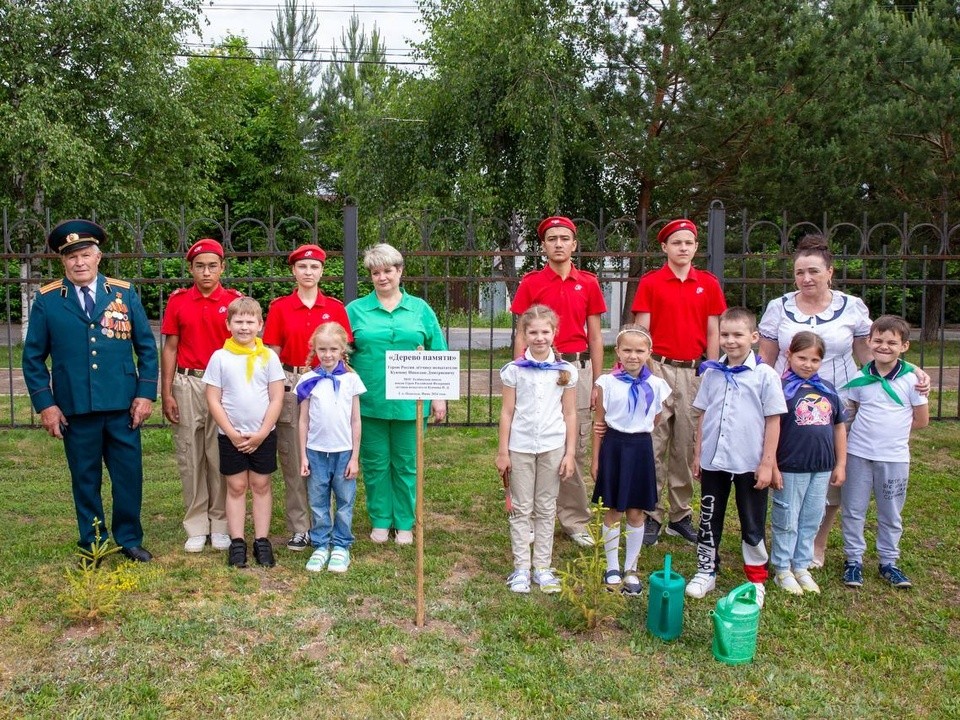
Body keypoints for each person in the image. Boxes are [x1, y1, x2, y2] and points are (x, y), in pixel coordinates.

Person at [758, 234, 929, 567]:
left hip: (838, 401)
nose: (806, 278)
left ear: (830, 272)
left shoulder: (851, 307)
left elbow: (872, 355)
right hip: (787, 403)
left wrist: (911, 370)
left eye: (813, 271)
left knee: (833, 468)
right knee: (785, 468)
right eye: (799, 272)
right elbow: (766, 358)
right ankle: (783, 537)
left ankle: (817, 541)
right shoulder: (778, 307)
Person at [23, 219, 158, 562]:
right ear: (63, 262)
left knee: (128, 477)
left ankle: (128, 538)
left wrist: (145, 394)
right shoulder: (48, 300)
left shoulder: (123, 292)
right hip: (75, 407)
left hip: (122, 405)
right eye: (72, 257)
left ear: (99, 257)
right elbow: (33, 358)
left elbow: (146, 347)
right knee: (85, 479)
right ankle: (93, 542)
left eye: (85, 254)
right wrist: (46, 406)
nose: (79, 262)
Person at [511, 216, 606, 548]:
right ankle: (536, 516)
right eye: (552, 239)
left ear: (574, 244)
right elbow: (521, 333)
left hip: (573, 369)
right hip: (537, 371)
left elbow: (595, 337)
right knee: (535, 443)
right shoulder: (531, 283)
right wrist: (519, 371)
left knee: (571, 446)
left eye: (565, 238)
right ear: (543, 246)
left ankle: (575, 519)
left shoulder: (589, 283)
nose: (559, 244)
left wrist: (596, 381)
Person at [632, 218, 726, 548]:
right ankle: (651, 513)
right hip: (658, 367)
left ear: (695, 247)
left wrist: (712, 369)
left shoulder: (709, 284)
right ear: (665, 248)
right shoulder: (651, 282)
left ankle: (680, 514)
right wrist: (641, 370)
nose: (682, 248)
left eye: (688, 242)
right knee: (655, 441)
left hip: (693, 371)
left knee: (686, 444)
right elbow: (641, 329)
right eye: (676, 243)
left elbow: (714, 330)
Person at [685, 307, 787, 608]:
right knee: (709, 516)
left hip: (749, 461)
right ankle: (706, 569)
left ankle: (756, 578)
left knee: (751, 520)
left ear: (754, 337)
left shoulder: (766, 376)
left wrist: (767, 462)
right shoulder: (712, 372)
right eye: (725, 335)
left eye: (738, 335)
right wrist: (698, 453)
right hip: (714, 460)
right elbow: (703, 414)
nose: (730, 341)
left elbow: (773, 420)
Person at [346, 243, 447, 545]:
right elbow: (342, 353)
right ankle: (380, 519)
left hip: (410, 403)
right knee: (375, 462)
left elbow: (437, 351)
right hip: (370, 400)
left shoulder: (420, 309)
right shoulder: (355, 310)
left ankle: (405, 521)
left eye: (388, 270)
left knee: (406, 462)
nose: (382, 277)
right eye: (375, 272)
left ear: (400, 271)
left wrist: (439, 396)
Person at [263, 244, 353, 553]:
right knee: (294, 455)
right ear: (294, 271)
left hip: (330, 384)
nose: (308, 272)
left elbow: (344, 349)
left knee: (328, 451)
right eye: (303, 267)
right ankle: (301, 526)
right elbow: (271, 353)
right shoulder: (280, 308)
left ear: (322, 271)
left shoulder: (336, 308)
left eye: (314, 267)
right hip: (293, 382)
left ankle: (325, 523)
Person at [160, 238, 243, 553]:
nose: (206, 272)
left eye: (212, 265)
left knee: (220, 453)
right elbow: (170, 347)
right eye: (199, 266)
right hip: (189, 382)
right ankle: (196, 523)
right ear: (191, 268)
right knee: (190, 454)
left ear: (222, 267)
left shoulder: (234, 301)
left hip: (224, 386)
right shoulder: (179, 301)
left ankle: (220, 522)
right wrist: (166, 391)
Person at [839, 315, 928, 589]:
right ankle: (853, 561)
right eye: (878, 340)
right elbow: (849, 413)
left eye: (892, 342)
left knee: (890, 512)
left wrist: (892, 435)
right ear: (869, 342)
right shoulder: (859, 378)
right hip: (858, 454)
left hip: (894, 457)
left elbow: (922, 420)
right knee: (854, 509)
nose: (884, 346)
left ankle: (888, 561)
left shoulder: (913, 380)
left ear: (904, 347)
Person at [496, 305, 578, 594]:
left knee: (545, 507)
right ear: (523, 334)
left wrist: (569, 453)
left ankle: (542, 566)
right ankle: (521, 567)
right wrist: (503, 451)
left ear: (554, 333)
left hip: (552, 446)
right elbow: (507, 412)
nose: (540, 337)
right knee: (521, 508)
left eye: (545, 331)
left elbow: (569, 414)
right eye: (533, 332)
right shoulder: (514, 371)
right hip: (519, 446)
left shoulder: (566, 371)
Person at [204, 297, 285, 568]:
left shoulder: (269, 357)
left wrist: (262, 433)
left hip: (263, 434)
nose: (244, 327)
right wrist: (232, 432)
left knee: (261, 485)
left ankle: (262, 540)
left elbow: (276, 398)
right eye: (238, 321)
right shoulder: (220, 357)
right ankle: (237, 541)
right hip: (232, 436)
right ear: (228, 325)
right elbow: (214, 399)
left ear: (260, 325)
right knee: (236, 486)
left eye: (250, 321)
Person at [591, 325, 671, 596]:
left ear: (650, 352)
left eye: (640, 350)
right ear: (618, 352)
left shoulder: (657, 385)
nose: (633, 356)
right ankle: (612, 566)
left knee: (636, 511)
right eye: (627, 350)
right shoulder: (606, 383)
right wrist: (595, 460)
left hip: (640, 449)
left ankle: (631, 568)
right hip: (614, 447)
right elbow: (599, 424)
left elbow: (656, 419)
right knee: (613, 509)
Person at [770, 332, 847, 595]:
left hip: (822, 466)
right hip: (791, 465)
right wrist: (773, 466)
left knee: (812, 518)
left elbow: (838, 427)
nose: (807, 364)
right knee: (787, 517)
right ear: (788, 355)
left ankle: (800, 564)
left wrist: (840, 464)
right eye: (802, 357)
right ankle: (782, 568)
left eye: (815, 359)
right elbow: (770, 429)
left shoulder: (827, 389)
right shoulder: (780, 390)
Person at [296, 322, 366, 573]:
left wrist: (354, 457)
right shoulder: (308, 380)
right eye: (322, 349)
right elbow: (303, 420)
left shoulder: (351, 380)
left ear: (342, 350)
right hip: (316, 452)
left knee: (345, 499)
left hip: (344, 452)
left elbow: (355, 420)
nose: (327, 355)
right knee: (318, 499)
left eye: (333, 349)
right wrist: (303, 455)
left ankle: (341, 545)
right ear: (314, 349)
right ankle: (321, 544)